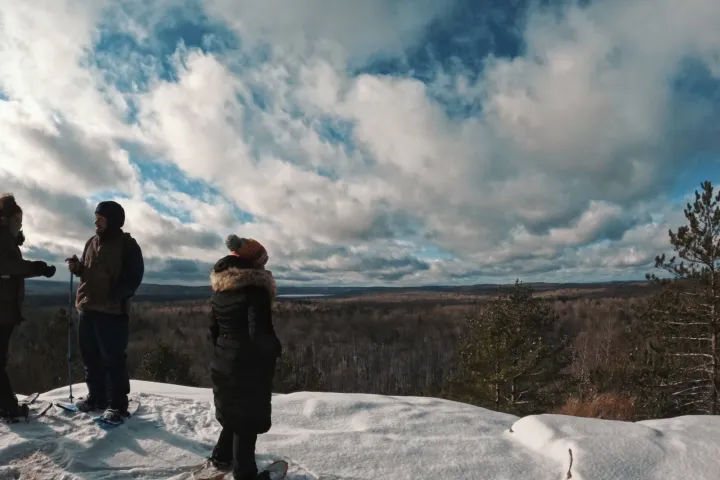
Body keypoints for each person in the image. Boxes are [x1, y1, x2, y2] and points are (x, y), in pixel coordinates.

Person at [206, 234, 282, 480]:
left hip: (222, 361)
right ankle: (245, 473)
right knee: (247, 420)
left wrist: (225, 353)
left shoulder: (220, 291)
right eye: (262, 262)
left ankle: (221, 457)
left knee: (233, 413)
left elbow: (213, 332)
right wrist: (272, 353)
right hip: (247, 365)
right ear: (254, 264)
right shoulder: (255, 291)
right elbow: (259, 332)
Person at [66, 200, 144, 423]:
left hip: (111, 312)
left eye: (100, 218)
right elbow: (86, 270)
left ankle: (117, 405)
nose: (95, 222)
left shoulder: (127, 244)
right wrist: (77, 267)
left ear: (113, 220)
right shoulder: (91, 242)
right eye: (95, 217)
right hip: (86, 307)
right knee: (90, 358)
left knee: (113, 360)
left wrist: (115, 294)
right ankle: (96, 398)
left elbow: (134, 276)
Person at [0, 193, 56, 419]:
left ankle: (5, 403)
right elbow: (7, 265)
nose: (19, 226)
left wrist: (37, 269)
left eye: (21, 223)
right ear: (4, 219)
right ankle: (7, 407)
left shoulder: (6, 239)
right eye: (17, 221)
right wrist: (38, 267)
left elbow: (11, 270)